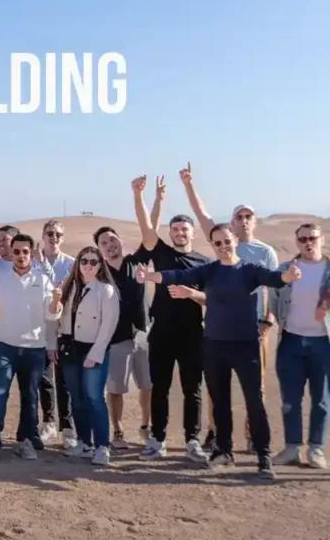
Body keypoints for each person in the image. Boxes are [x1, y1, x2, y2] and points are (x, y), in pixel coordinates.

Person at [136, 223, 301, 479]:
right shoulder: (210, 270)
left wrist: (287, 277)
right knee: (220, 401)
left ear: (235, 239)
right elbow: (177, 276)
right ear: (213, 246)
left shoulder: (250, 270)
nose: (223, 247)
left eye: (227, 241)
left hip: (245, 346)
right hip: (214, 345)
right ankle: (224, 450)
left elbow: (274, 279)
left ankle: (263, 456)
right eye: (218, 243)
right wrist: (151, 277)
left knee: (254, 401)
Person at [180, 162, 279, 450]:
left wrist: (267, 321)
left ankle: (252, 436)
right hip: (219, 327)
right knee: (216, 386)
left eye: (249, 216)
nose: (244, 220)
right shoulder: (222, 241)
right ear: (232, 223)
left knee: (255, 387)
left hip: (255, 327)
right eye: (239, 216)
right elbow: (201, 214)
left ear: (254, 221)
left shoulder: (265, 252)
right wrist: (189, 185)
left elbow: (271, 288)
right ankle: (216, 432)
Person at [130, 175, 209, 462]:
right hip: (161, 332)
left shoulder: (203, 263)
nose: (179, 232)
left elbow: (210, 299)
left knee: (192, 389)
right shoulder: (161, 253)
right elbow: (145, 227)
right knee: (159, 388)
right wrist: (140, 195)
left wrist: (192, 294)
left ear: (192, 233)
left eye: (184, 228)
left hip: (192, 334)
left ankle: (192, 440)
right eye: (174, 228)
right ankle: (158, 439)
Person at [0, 234, 62, 463]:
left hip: (34, 348)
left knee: (30, 397)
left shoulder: (43, 280)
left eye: (25, 251)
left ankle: (25, 441)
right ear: (11, 253)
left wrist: (56, 300)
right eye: (16, 251)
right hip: (3, 346)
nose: (20, 256)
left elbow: (51, 314)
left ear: (32, 253)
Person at [270, 223, 330, 468]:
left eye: (312, 238)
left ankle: (316, 450)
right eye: (303, 239)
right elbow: (274, 300)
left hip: (323, 343)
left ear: (322, 239)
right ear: (297, 242)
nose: (308, 243)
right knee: (290, 399)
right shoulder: (287, 269)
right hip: (291, 341)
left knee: (322, 399)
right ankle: (292, 448)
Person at [53, 246, 119, 466]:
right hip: (70, 349)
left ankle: (102, 446)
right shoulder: (69, 287)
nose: (88, 265)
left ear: (100, 265)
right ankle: (84, 442)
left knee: (94, 397)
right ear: (77, 263)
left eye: (94, 261)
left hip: (94, 349)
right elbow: (55, 317)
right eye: (84, 261)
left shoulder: (106, 290)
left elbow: (108, 325)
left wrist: (96, 353)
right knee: (77, 398)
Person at [93, 225, 152, 449]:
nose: (109, 246)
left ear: (120, 240)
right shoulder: (100, 275)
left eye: (112, 239)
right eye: (104, 243)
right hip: (116, 338)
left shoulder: (137, 262)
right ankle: (117, 431)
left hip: (143, 333)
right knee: (116, 388)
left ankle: (146, 427)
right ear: (100, 250)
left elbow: (150, 233)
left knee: (148, 384)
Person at [38, 219, 77, 449]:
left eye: (58, 234)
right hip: (38, 330)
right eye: (50, 233)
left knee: (64, 380)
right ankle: (48, 421)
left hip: (64, 330)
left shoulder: (71, 264)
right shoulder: (32, 261)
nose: (54, 238)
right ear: (43, 236)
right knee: (43, 379)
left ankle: (68, 427)